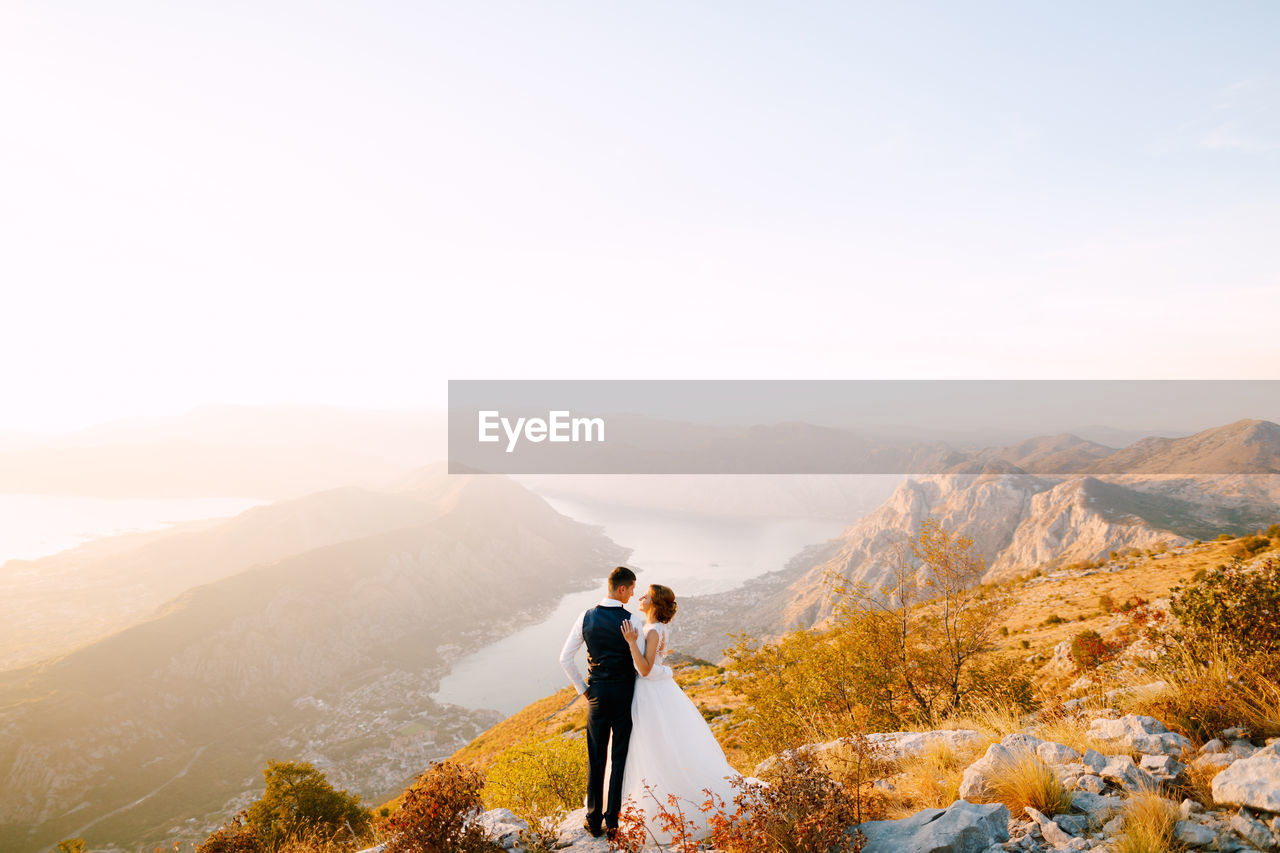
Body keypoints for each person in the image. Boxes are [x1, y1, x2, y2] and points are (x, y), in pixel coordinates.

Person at [615, 583, 744, 845]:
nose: (641, 597)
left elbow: (646, 671)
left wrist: (630, 643)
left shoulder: (652, 631)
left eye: (646, 596)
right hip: (661, 692)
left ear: (654, 603)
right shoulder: (658, 628)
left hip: (649, 694)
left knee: (650, 747)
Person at [558, 567, 672, 838]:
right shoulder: (632, 619)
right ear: (622, 589)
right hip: (624, 694)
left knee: (596, 758)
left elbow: (565, 659)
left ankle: (593, 820)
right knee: (618, 756)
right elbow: (641, 662)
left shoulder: (585, 617)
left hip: (596, 695)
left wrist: (584, 689)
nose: (634, 594)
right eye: (632, 589)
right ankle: (613, 822)